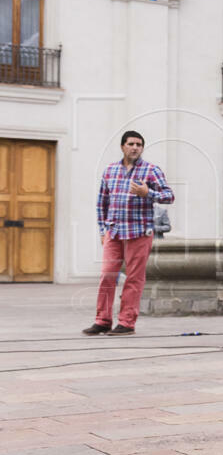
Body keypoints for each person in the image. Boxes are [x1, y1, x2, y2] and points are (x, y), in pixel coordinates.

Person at [84, 131, 174, 336]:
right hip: (114, 232)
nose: (135, 147)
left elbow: (169, 196)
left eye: (139, 144)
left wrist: (148, 193)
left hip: (139, 232)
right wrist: (102, 230)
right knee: (107, 275)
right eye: (131, 143)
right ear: (123, 146)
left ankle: (126, 323)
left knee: (134, 278)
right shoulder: (110, 171)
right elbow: (102, 203)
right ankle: (102, 321)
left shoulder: (151, 171)